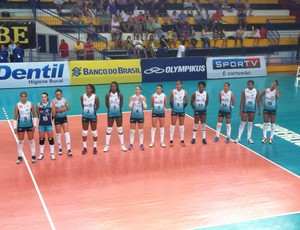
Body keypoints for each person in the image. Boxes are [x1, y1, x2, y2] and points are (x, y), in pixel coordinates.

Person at [103, 82, 127, 152]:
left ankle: (122, 145)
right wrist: (111, 110)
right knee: (109, 129)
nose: (113, 88)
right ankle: (107, 146)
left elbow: (121, 105)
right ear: (110, 87)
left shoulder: (120, 95)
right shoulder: (107, 95)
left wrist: (116, 110)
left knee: (120, 129)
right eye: (112, 86)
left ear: (116, 87)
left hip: (118, 114)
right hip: (110, 113)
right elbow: (107, 105)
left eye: (114, 86)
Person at [14, 92, 37, 164]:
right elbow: (15, 117)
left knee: (31, 140)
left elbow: (34, 114)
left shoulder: (30, 104)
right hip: (21, 125)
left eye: (24, 96)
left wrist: (35, 125)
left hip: (29, 125)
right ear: (20, 97)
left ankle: (33, 156)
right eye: (22, 96)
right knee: (20, 141)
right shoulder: (17, 105)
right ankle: (19, 156)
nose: (23, 98)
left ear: (26, 97)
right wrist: (15, 127)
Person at [36, 92, 56, 160]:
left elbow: (53, 114)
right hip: (41, 124)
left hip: (49, 124)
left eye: (44, 97)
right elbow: (38, 114)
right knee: (41, 139)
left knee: (50, 138)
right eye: (42, 97)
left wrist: (49, 120)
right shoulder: (38, 105)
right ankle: (41, 153)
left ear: (47, 97)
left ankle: (52, 153)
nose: (43, 98)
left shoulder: (51, 104)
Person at [81, 84, 99, 154]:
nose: (87, 90)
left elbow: (97, 106)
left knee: (94, 132)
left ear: (91, 89)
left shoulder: (95, 97)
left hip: (93, 116)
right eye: (86, 88)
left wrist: (92, 112)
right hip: (85, 116)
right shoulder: (82, 96)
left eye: (88, 88)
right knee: (84, 132)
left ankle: (95, 147)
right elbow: (83, 106)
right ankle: (85, 147)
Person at [52, 89, 72, 156]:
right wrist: (57, 111)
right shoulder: (53, 101)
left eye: (59, 94)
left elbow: (68, 108)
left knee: (66, 133)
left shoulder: (64, 100)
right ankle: (60, 148)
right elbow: (53, 112)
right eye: (57, 94)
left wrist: (64, 109)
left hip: (64, 118)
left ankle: (69, 149)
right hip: (57, 119)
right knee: (58, 134)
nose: (58, 96)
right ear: (55, 95)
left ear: (61, 94)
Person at [169, 81, 189, 147]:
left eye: (179, 84)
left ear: (181, 85)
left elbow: (187, 100)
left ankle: (182, 140)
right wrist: (172, 108)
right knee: (173, 125)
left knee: (181, 125)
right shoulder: (172, 91)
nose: (178, 85)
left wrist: (183, 107)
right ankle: (171, 140)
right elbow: (170, 100)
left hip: (181, 111)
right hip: (174, 110)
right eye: (177, 84)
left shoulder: (184, 92)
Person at [128, 86, 147, 151]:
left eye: (138, 89)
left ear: (140, 90)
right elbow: (129, 107)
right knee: (132, 131)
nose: (137, 90)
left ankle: (141, 144)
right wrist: (132, 101)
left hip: (140, 116)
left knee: (141, 131)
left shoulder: (143, 97)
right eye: (136, 89)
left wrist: (143, 101)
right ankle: (131, 144)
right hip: (133, 116)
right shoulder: (132, 97)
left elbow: (145, 107)